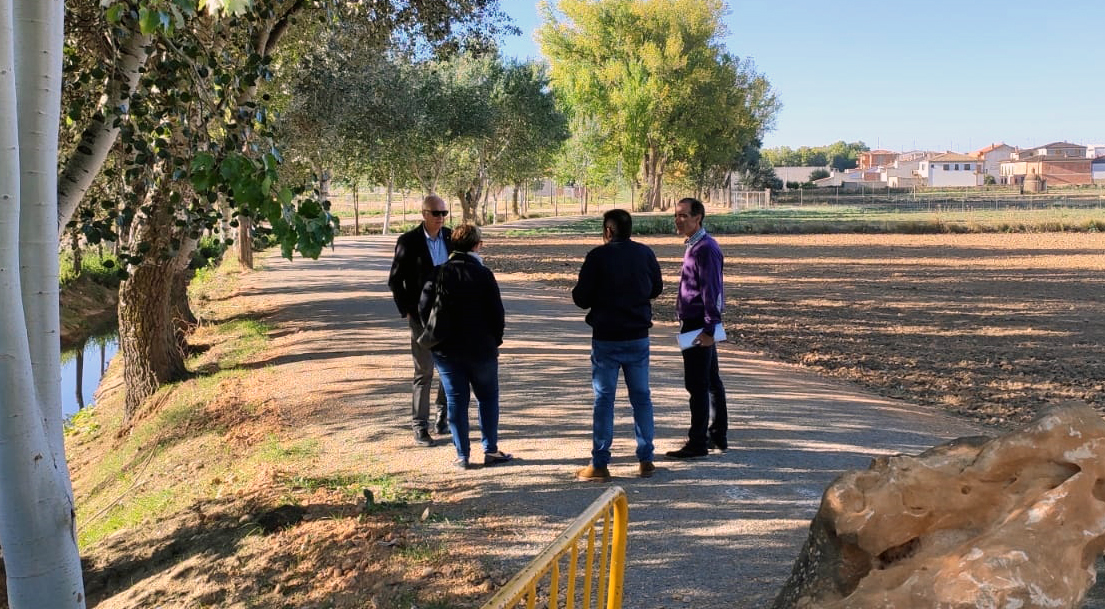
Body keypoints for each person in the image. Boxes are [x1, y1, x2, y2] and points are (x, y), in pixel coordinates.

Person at [571, 209, 663, 481]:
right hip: (637, 336)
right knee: (642, 398)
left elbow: (581, 298)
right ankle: (646, 459)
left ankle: (600, 463)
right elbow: (656, 288)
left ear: (608, 231)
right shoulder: (645, 253)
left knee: (604, 399)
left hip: (606, 338)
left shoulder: (597, 257)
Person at [418, 224, 512, 470]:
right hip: (482, 348)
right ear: (477, 245)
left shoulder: (439, 272)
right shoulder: (484, 274)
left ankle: (462, 455)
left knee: (456, 401)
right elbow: (497, 313)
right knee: (487, 399)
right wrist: (495, 339)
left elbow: (424, 308)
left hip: (447, 350)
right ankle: (490, 450)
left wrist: (435, 335)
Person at [666, 197, 728, 459]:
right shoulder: (695, 245)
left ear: (698, 217)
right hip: (697, 323)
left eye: (683, 215)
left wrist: (709, 328)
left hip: (699, 325)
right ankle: (716, 435)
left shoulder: (705, 248)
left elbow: (711, 291)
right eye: (676, 215)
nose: (678, 220)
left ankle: (698, 442)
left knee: (697, 383)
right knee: (710, 380)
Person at [388, 194, 451, 447]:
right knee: (424, 371)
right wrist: (408, 311)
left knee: (449, 367)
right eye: (436, 213)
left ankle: (443, 416)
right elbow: (395, 280)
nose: (440, 218)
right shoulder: (408, 241)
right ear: (424, 214)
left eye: (444, 213)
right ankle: (420, 426)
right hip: (421, 317)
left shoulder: (451, 237)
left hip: (449, 314)